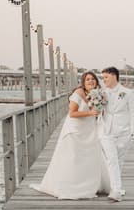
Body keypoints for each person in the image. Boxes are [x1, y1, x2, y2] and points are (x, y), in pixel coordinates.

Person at [31, 71, 110, 199]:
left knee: (90, 158)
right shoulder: (78, 93)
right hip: (75, 130)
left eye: (93, 79)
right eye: (88, 79)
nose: (91, 81)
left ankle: (90, 184)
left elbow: (100, 110)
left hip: (90, 130)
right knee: (74, 158)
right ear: (83, 82)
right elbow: (72, 113)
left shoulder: (98, 94)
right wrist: (90, 113)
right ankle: (73, 186)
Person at [99, 66, 134, 202]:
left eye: (106, 77)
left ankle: (115, 187)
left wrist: (132, 132)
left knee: (119, 161)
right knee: (112, 160)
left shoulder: (127, 93)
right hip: (106, 131)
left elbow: (133, 112)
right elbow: (99, 111)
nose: (103, 80)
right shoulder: (101, 93)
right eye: (103, 77)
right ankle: (116, 191)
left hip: (123, 132)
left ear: (114, 76)